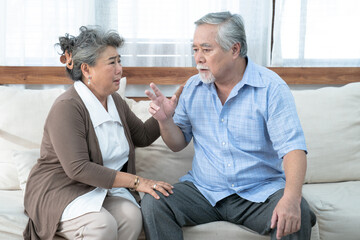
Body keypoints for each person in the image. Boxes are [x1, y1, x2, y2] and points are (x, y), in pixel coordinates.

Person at [142, 11, 316, 240]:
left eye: (206, 49)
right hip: (204, 192)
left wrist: (291, 199)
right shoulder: (192, 88)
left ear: (234, 49)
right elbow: (177, 143)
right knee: (154, 202)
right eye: (195, 49)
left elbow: (293, 149)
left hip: (258, 194)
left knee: (298, 211)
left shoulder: (271, 88)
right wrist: (165, 121)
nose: (198, 58)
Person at [23, 26, 176, 240]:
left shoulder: (114, 101)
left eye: (119, 61)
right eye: (111, 62)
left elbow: (141, 135)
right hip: (61, 189)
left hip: (98, 189)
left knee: (131, 216)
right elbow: (78, 169)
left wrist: (164, 115)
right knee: (101, 225)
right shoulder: (67, 107)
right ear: (86, 70)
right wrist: (137, 181)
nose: (119, 69)